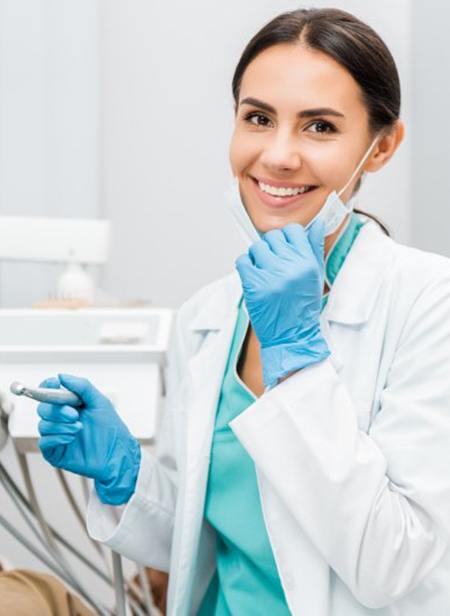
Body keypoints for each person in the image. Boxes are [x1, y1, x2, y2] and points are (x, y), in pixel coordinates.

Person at [34, 7, 450, 616]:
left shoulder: (427, 302)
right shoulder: (208, 314)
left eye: (319, 127)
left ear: (382, 146)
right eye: (258, 118)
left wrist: (297, 359)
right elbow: (203, 537)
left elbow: (392, 564)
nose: (278, 156)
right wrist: (127, 475)